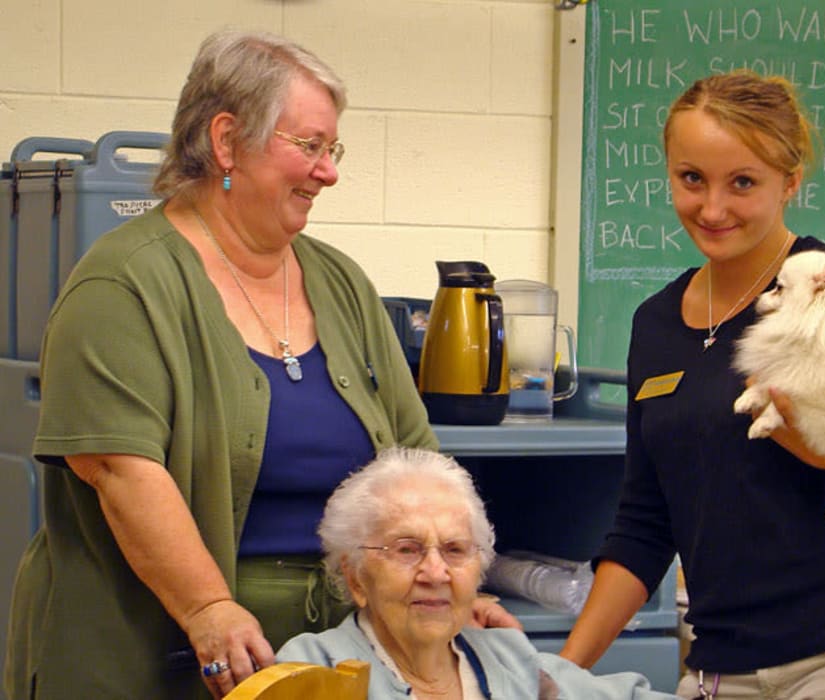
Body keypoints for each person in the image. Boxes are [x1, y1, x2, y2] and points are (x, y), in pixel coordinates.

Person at [3, 29, 514, 700]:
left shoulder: (341, 283)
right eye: (308, 146)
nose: (328, 171)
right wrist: (207, 607)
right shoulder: (123, 284)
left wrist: (445, 590)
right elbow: (122, 472)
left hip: (328, 661)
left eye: (332, 150)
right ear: (225, 141)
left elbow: (416, 461)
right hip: (157, 657)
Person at [558, 70, 825, 698]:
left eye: (743, 182)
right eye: (692, 179)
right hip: (722, 667)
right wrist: (562, 670)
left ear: (789, 181)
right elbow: (644, 523)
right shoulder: (655, 323)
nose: (712, 209)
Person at [276, 446, 678, 699]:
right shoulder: (313, 668)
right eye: (407, 549)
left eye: (454, 550)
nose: (436, 572)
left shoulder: (508, 659)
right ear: (356, 578)